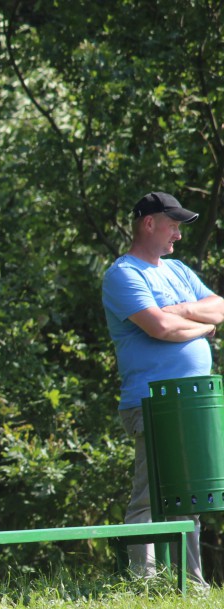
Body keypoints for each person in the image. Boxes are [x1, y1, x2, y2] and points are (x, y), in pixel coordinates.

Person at [102, 191, 224, 587]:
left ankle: (190, 585)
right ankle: (145, 583)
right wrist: (195, 323)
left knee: (188, 497)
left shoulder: (178, 271)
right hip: (153, 402)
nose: (178, 234)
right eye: (172, 224)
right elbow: (159, 327)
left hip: (192, 403)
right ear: (148, 223)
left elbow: (219, 309)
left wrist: (186, 311)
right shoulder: (123, 274)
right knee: (150, 497)